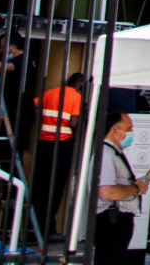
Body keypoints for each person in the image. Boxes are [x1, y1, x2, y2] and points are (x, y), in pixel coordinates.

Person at [97, 109, 150, 265]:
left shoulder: (113, 153)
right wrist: (136, 189)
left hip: (118, 220)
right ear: (114, 130)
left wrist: (147, 177)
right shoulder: (106, 154)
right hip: (112, 220)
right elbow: (107, 191)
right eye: (128, 129)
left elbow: (126, 184)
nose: (132, 132)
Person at [32, 72, 86, 231]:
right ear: (79, 84)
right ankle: (47, 228)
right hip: (62, 144)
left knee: (40, 185)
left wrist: (43, 119)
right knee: (55, 187)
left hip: (44, 143)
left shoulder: (50, 92)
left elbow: (34, 104)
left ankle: (33, 225)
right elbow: (73, 122)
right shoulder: (77, 97)